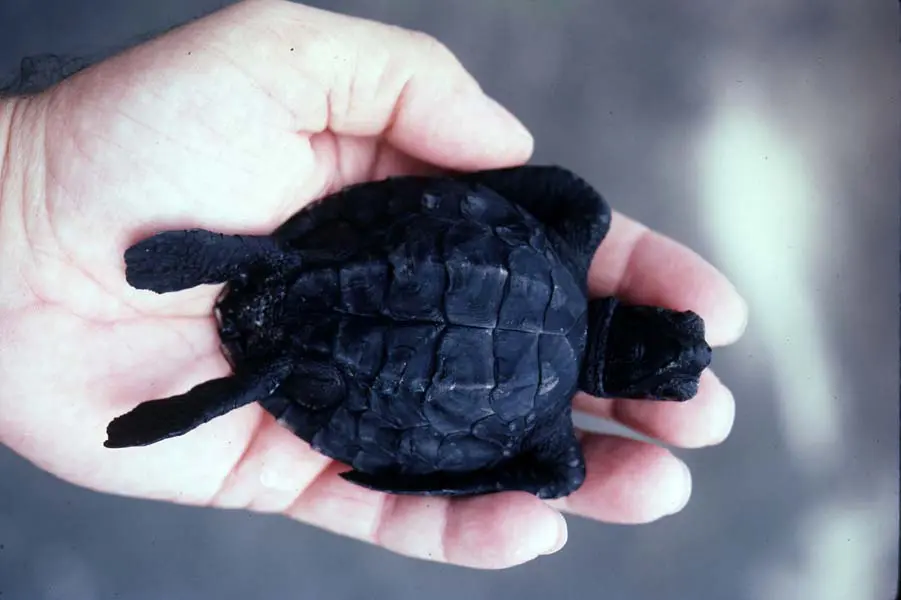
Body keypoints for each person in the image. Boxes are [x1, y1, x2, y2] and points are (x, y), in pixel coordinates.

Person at [0, 0, 747, 570]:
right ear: (629, 390)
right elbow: (548, 478)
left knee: (314, 286)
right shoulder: (550, 440)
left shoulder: (568, 236)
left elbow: (564, 196)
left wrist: (466, 191)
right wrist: (407, 478)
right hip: (354, 382)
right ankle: (249, 375)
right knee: (294, 368)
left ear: (644, 313)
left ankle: (263, 281)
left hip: (336, 259)